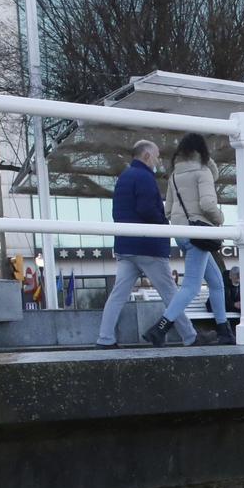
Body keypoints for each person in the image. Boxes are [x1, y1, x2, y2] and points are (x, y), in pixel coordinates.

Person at [95, 140, 182, 347]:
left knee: (118, 295)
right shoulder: (145, 177)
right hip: (148, 247)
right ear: (146, 156)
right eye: (157, 155)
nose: (158, 160)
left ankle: (105, 338)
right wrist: (164, 225)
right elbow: (147, 209)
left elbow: (119, 212)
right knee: (171, 293)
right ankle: (190, 336)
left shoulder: (124, 177)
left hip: (126, 246)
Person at [151, 132, 233, 346]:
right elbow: (207, 204)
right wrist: (220, 218)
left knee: (216, 282)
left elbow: (168, 210)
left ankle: (224, 330)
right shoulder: (202, 172)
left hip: (181, 233)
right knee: (191, 287)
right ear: (202, 152)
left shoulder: (174, 176)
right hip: (199, 233)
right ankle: (160, 328)